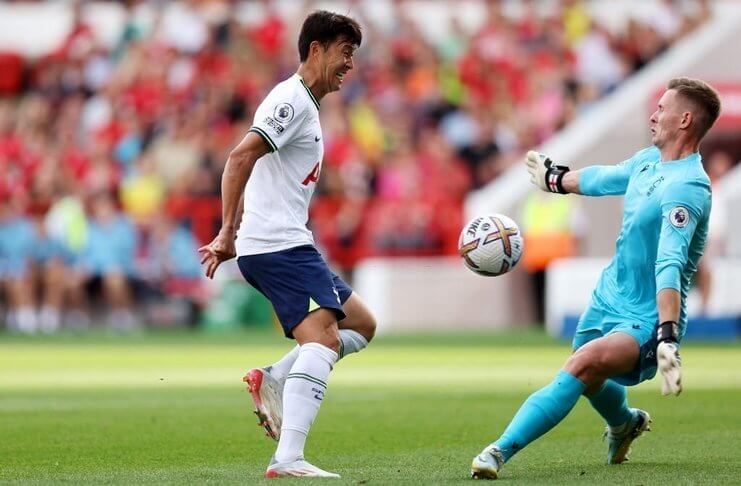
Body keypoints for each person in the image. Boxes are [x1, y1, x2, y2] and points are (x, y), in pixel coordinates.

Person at [470, 77, 721, 479]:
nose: (654, 115)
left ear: (685, 119)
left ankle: (498, 451)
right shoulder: (648, 162)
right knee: (588, 378)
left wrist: (668, 334)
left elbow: (670, 263)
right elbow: (605, 177)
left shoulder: (688, 186)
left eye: (662, 108)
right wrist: (554, 179)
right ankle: (625, 424)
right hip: (609, 297)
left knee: (583, 365)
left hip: (646, 316)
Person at [198, 11, 376, 479]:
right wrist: (226, 232)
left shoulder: (308, 105)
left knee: (362, 323)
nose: (349, 64)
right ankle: (288, 457)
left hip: (287, 243)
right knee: (324, 340)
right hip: (278, 246)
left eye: (353, 54)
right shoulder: (291, 100)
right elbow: (239, 158)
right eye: (344, 52)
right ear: (315, 49)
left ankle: (274, 377)